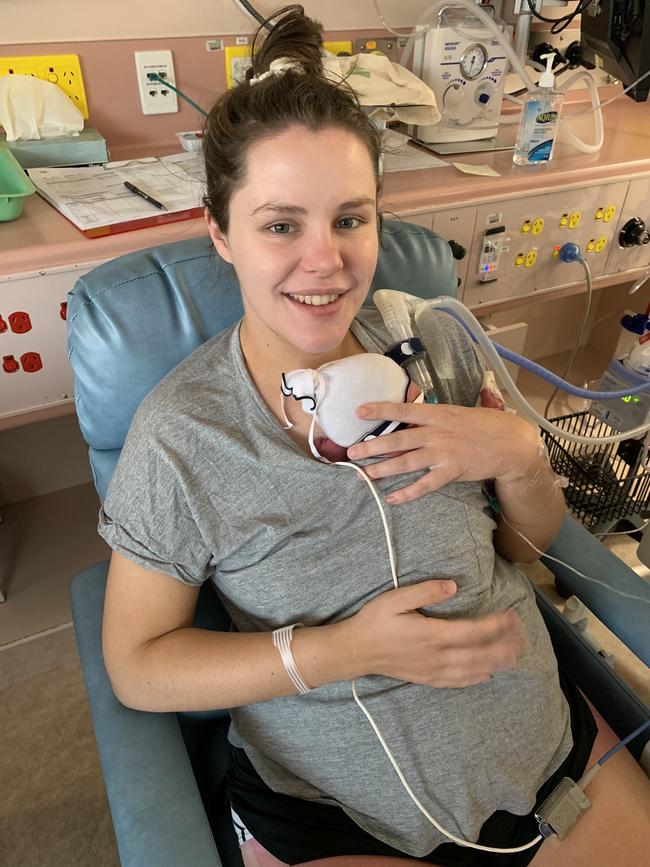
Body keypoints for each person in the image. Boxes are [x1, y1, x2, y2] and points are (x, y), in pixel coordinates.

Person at [100, 6, 650, 867]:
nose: (325, 262)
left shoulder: (435, 345)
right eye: (281, 224)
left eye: (350, 219)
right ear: (221, 234)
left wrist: (521, 458)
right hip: (335, 811)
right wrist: (341, 650)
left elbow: (523, 546)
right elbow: (137, 663)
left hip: (549, 768)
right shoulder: (182, 434)